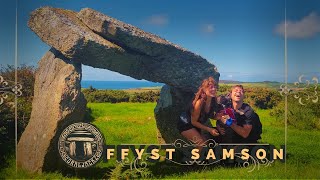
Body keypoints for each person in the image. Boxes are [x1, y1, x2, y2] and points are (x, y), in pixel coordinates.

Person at [177, 77, 220, 150]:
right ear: (204, 89)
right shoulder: (199, 103)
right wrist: (209, 129)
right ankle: (193, 161)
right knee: (201, 145)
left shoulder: (213, 100)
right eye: (211, 87)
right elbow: (193, 122)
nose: (214, 89)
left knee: (205, 143)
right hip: (185, 124)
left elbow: (210, 115)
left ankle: (197, 160)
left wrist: (217, 117)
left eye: (215, 87)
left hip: (195, 124)